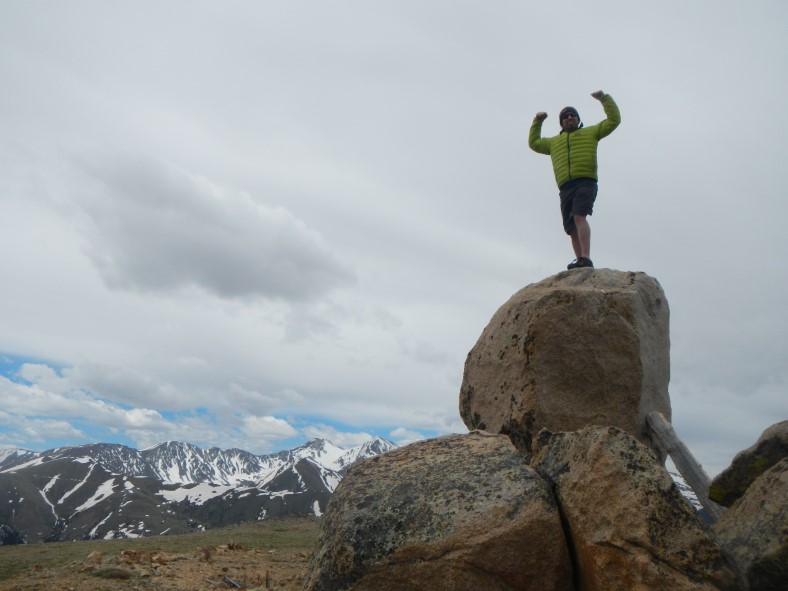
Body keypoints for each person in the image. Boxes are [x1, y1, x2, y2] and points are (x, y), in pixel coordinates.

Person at [528, 90, 621, 269]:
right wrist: (537, 121)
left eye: (573, 115)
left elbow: (613, 120)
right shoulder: (553, 143)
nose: (570, 117)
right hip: (565, 187)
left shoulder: (591, 132)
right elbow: (534, 143)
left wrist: (604, 98)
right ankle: (580, 260)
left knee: (579, 216)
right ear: (562, 123)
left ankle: (586, 257)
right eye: (565, 116)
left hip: (586, 181)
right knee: (570, 226)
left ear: (578, 119)